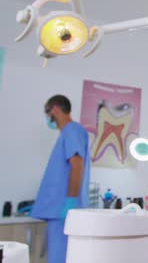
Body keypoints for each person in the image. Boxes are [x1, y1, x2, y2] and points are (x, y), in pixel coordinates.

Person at [31, 95, 91, 263]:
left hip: (63, 210)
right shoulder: (69, 133)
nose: (48, 117)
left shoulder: (72, 130)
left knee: (60, 258)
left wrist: (70, 201)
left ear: (55, 109)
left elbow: (77, 165)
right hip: (58, 210)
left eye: (47, 112)